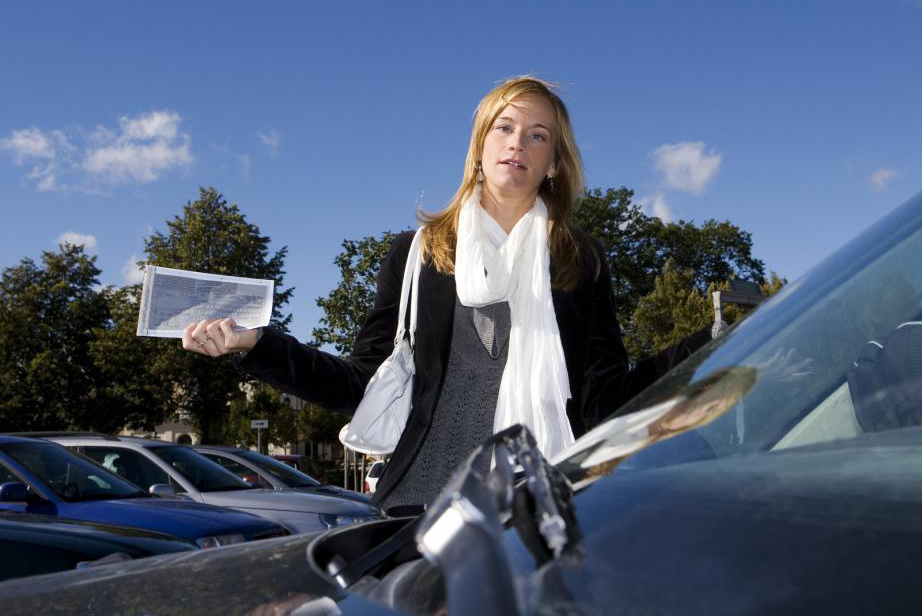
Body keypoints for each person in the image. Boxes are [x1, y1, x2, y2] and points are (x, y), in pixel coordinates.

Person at [183, 76, 711, 512]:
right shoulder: (417, 255)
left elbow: (604, 400)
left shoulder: (582, 261)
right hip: (420, 505)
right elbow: (361, 384)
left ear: (554, 163)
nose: (517, 143)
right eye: (504, 128)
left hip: (541, 504)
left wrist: (712, 343)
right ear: (480, 146)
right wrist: (257, 346)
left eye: (537, 135)